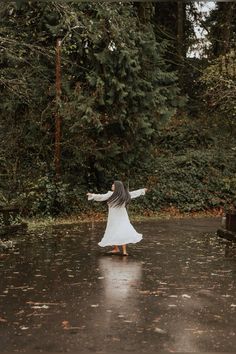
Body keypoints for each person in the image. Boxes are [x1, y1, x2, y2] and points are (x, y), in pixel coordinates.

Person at [87, 181, 147, 256]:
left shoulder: (122, 195)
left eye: (113, 185)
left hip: (121, 216)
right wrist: (92, 195)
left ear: (117, 187)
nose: (112, 185)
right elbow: (101, 196)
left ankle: (123, 250)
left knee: (121, 231)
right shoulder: (115, 194)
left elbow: (133, 193)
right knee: (115, 231)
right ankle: (117, 249)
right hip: (114, 217)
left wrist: (141, 190)